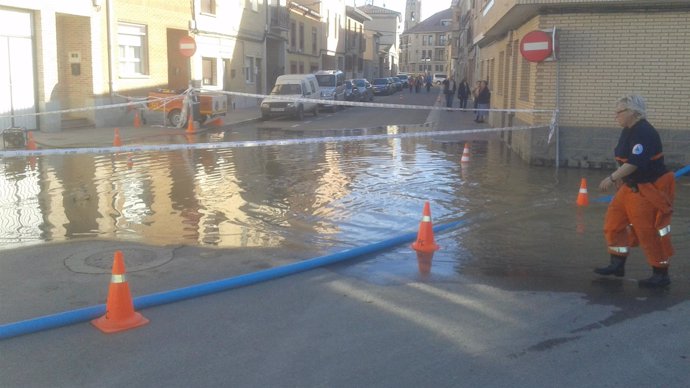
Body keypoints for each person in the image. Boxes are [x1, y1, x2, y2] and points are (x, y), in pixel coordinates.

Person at [595, 94, 675, 288]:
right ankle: (617, 263)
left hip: (647, 188)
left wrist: (612, 177)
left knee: (647, 230)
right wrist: (621, 179)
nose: (616, 116)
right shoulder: (628, 130)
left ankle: (660, 272)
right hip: (630, 187)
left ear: (633, 112)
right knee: (613, 223)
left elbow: (635, 162)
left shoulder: (644, 132)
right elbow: (624, 158)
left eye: (619, 112)